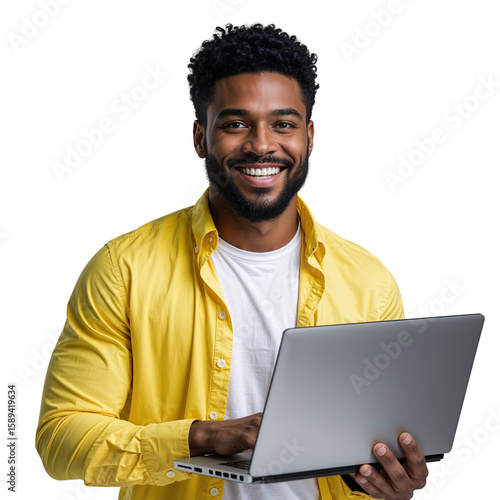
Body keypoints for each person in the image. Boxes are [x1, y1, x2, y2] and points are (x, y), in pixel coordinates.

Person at [36, 23, 428, 500]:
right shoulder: (124, 269)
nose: (262, 145)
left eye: (283, 124)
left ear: (309, 136)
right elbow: (60, 439)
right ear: (202, 137)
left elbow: (375, 452)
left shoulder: (369, 282)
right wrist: (199, 437)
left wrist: (389, 483)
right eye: (236, 123)